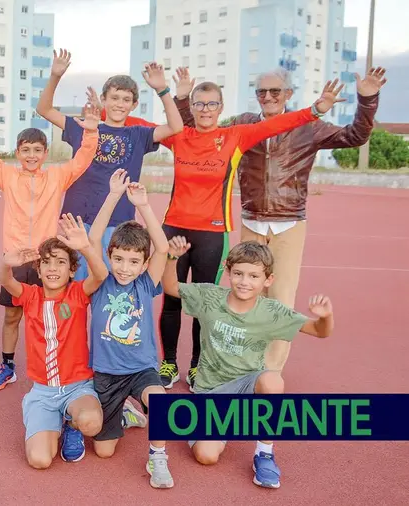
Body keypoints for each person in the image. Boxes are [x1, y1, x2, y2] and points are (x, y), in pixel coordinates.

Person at [174, 66, 385, 371]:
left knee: (280, 301)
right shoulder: (244, 123)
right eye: (262, 92)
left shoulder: (309, 126)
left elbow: (356, 135)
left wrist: (367, 99)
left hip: (289, 222)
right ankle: (242, 364)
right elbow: (202, 130)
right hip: (251, 221)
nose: (268, 97)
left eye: (275, 91)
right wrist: (183, 100)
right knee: (244, 297)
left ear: (289, 93)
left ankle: (269, 371)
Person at [154, 78, 344, 391]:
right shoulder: (179, 136)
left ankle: (197, 366)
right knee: (171, 299)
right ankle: (169, 362)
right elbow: (139, 129)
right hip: (173, 227)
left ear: (221, 108)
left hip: (212, 233)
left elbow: (279, 123)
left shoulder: (235, 136)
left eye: (212, 104)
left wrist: (314, 110)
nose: (205, 109)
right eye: (198, 103)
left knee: (208, 305)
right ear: (191, 107)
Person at [162, 239, 334, 489]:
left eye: (254, 276)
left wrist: (326, 316)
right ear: (227, 271)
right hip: (209, 393)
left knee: (272, 380)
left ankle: (264, 453)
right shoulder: (210, 297)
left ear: (268, 280)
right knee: (206, 456)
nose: (245, 281)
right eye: (239, 274)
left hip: (245, 386)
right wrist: (171, 258)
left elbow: (320, 331)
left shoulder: (271, 311)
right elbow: (171, 287)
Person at [0, 96, 99, 390]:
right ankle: (7, 366)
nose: (32, 155)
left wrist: (90, 132)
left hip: (46, 261)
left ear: (46, 152)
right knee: (12, 315)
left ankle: (56, 364)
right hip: (15, 258)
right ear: (18, 152)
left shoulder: (57, 176)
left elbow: (83, 159)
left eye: (38, 150)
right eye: (26, 150)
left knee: (53, 317)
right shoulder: (8, 176)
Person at [36, 50, 183, 281]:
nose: (119, 104)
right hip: (77, 221)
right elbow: (44, 110)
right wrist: (55, 76)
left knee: (107, 286)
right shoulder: (84, 127)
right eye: (114, 98)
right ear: (104, 100)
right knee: (74, 287)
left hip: (117, 223)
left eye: (126, 100)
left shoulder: (138, 135)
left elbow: (175, 127)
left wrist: (162, 90)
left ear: (134, 105)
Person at [83, 171, 173, 487]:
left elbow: (161, 249)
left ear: (143, 264)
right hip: (106, 374)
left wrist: (144, 205)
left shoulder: (146, 285)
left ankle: (158, 458)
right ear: (109, 257)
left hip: (141, 370)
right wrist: (113, 195)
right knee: (104, 451)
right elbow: (93, 238)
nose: (125, 268)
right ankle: (125, 412)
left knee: (160, 401)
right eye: (119, 259)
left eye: (134, 261)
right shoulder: (100, 282)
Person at [0, 215, 108, 468]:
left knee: (91, 423)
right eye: (46, 263)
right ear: (38, 270)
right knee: (39, 461)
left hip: (77, 387)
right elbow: (5, 280)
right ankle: (50, 416)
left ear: (71, 270)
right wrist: (6, 264)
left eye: (60, 263)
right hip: (44, 392)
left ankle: (73, 423)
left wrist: (85, 247)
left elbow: (100, 274)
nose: (52, 269)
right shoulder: (30, 296)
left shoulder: (77, 293)